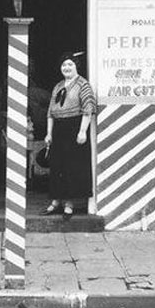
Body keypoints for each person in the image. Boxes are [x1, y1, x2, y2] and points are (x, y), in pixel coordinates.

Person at [42, 51, 96, 220]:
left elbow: (88, 109)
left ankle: (69, 204)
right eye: (64, 65)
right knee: (57, 166)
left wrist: (82, 131)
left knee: (71, 167)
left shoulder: (83, 84)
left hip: (74, 128)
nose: (66, 67)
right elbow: (50, 112)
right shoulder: (58, 86)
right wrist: (49, 133)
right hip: (58, 129)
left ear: (76, 66)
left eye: (70, 64)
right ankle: (55, 201)